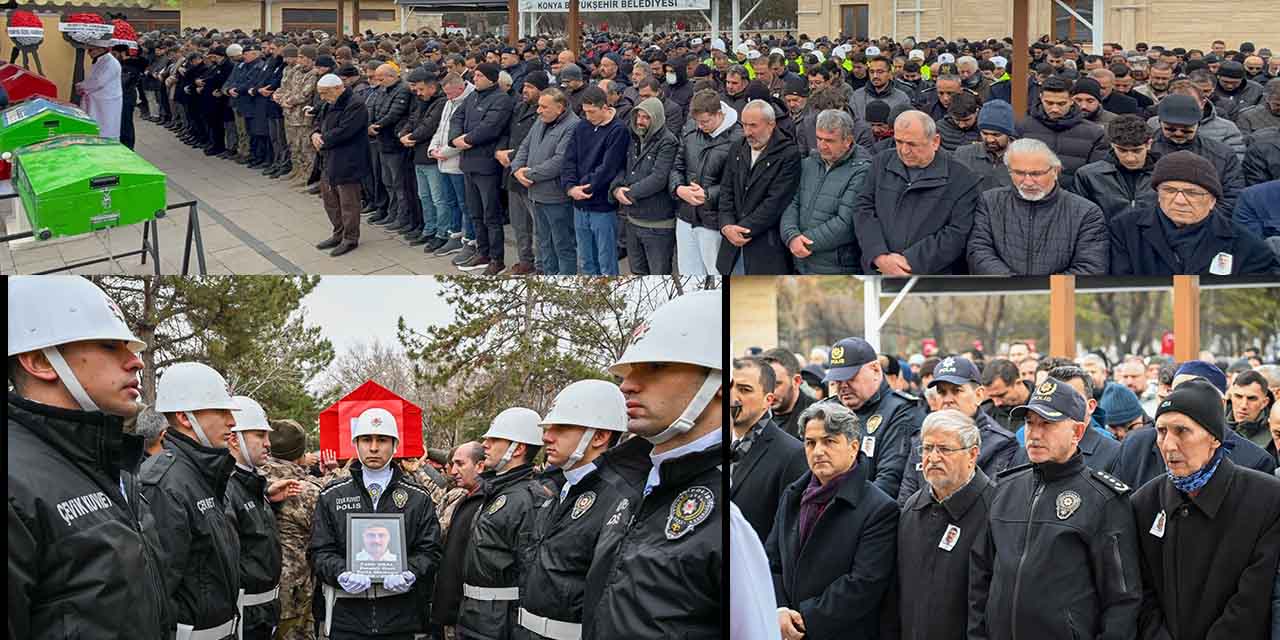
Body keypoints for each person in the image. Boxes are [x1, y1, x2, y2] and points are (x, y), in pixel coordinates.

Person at [7, 276, 168, 640]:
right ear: (39, 361)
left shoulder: (112, 464)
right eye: (111, 346)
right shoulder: (15, 480)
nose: (136, 363)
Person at [583, 290, 723, 638]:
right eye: (629, 371)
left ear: (720, 381)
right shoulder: (629, 483)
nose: (627, 384)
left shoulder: (733, 499)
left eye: (656, 366)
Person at [968, 378, 1142, 640]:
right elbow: (981, 579)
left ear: (1078, 433)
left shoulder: (1103, 499)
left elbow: (1122, 600)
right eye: (1029, 423)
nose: (1035, 434)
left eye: (1047, 424)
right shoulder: (1005, 489)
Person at [1131, 379, 1280, 640]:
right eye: (1162, 431)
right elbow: (1142, 594)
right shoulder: (1145, 503)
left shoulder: (1265, 498)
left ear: (1214, 438)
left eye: (1182, 431)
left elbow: (1252, 601)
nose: (1168, 445)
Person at [766, 402, 898, 640]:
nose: (818, 451)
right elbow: (772, 560)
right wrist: (779, 610)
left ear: (853, 447)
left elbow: (864, 584)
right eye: (810, 443)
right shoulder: (794, 495)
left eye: (829, 441)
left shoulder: (879, 508)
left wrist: (804, 619)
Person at [516, 380, 636, 640]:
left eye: (561, 428)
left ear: (600, 436)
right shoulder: (560, 489)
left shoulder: (620, 498)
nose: (547, 436)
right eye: (548, 428)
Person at [309, 407, 443, 640]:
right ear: (356, 444)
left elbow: (430, 551)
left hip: (400, 618)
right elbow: (319, 551)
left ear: (394, 445)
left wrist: (411, 572)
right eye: (366, 440)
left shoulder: (417, 498)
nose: (373, 447)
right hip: (347, 617)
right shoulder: (332, 496)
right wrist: (341, 573)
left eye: (381, 440)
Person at [142, 362, 243, 639]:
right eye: (222, 411)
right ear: (185, 418)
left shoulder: (206, 474)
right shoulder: (164, 484)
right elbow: (158, 593)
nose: (232, 422)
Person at [897, 410, 996, 640]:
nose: (932, 457)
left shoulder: (996, 509)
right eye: (927, 448)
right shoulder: (913, 507)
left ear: (972, 454)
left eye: (944, 449)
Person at [457, 408, 551, 640]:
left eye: (494, 439)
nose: (485, 444)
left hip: (500, 624)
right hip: (477, 616)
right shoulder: (498, 492)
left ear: (518, 448)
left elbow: (530, 574)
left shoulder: (529, 499)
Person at [1112, 360, 1278, 490]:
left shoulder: (1255, 461)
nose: (1182, 402)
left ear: (1220, 403)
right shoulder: (1137, 445)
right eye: (1177, 393)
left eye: (1195, 395)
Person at [1108, 150, 1280, 275]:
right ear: (1158, 194)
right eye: (1169, 190)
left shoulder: (1247, 246)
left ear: (1212, 200)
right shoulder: (1125, 229)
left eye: (1192, 193)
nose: (1180, 200)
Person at [856, 110, 982, 275]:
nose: (904, 150)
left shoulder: (962, 178)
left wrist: (908, 262)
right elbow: (863, 209)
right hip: (878, 270)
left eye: (912, 144)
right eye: (898, 142)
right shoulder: (881, 162)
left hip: (930, 279)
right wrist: (879, 255)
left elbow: (956, 233)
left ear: (935, 141)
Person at [968, 138, 1109, 275]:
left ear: (1055, 171)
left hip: (1059, 297)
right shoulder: (990, 201)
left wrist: (1041, 293)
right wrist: (1013, 287)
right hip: (1003, 294)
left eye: (1036, 174)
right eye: (1019, 173)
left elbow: (1090, 266)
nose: (1028, 182)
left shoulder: (1086, 213)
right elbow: (979, 251)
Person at [897, 356, 1019, 505]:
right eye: (942, 393)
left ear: (979, 395)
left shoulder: (1001, 444)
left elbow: (993, 505)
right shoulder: (921, 439)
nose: (948, 399)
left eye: (956, 391)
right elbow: (906, 501)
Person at [821, 336, 924, 499]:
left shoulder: (901, 411)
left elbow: (890, 481)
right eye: (837, 380)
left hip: (871, 515)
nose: (843, 386)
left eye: (850, 377)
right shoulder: (827, 410)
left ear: (875, 370)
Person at [225, 396, 288, 640]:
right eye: (260, 436)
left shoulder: (251, 483)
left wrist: (270, 501)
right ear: (234, 439)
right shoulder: (227, 487)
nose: (268, 444)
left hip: (263, 614)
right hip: (245, 617)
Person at [779, 108, 873, 274]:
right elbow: (792, 202)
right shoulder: (808, 164)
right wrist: (791, 236)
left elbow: (846, 223)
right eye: (819, 138)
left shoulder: (862, 171)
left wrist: (805, 243)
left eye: (829, 140)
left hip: (836, 267)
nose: (822, 146)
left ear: (848, 140)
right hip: (800, 262)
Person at [716, 99, 802, 274]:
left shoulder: (788, 154)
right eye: (744, 125)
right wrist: (726, 225)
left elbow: (776, 202)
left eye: (753, 126)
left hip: (764, 247)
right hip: (731, 244)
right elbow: (726, 190)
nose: (747, 132)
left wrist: (742, 230)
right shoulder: (738, 148)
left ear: (771, 125)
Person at [258, 419, 325, 640]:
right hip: (294, 592)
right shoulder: (304, 490)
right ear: (300, 452)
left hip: (255, 589)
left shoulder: (251, 479)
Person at [730, 357, 808, 543]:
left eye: (744, 390)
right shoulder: (711, 444)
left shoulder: (792, 454)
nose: (733, 397)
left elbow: (789, 533)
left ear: (768, 400)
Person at [450, 62, 514, 275]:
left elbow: (491, 127)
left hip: (486, 164)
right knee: (474, 211)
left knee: (490, 214)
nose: (474, 78)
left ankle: (497, 258)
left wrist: (468, 139)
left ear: (491, 78)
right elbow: (457, 117)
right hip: (468, 161)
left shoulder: (501, 99)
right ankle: (482, 251)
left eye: (478, 75)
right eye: (475, 75)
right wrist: (455, 139)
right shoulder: (473, 96)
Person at [561, 86, 629, 276]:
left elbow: (608, 168)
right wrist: (569, 186)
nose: (588, 116)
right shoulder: (582, 126)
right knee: (585, 260)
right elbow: (569, 159)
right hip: (579, 203)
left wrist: (583, 187)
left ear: (605, 107)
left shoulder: (618, 130)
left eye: (592, 112)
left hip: (601, 205)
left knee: (606, 259)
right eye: (585, 111)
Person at [671, 89, 739, 277]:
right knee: (688, 271)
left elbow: (737, 182)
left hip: (714, 220)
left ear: (719, 114)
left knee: (716, 273)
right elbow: (677, 166)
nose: (701, 126)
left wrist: (708, 195)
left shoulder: (738, 137)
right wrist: (678, 189)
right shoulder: (691, 128)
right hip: (686, 215)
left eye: (705, 122)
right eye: (698, 122)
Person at [512, 86, 580, 275]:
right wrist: (516, 169)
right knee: (544, 243)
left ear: (560, 108)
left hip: (556, 197)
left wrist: (529, 174)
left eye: (544, 107)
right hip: (536, 194)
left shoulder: (573, 125)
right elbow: (524, 145)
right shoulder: (541, 121)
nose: (539, 110)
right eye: (539, 106)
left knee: (562, 244)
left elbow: (560, 161)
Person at [611, 96, 680, 274]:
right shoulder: (633, 138)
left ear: (656, 118)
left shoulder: (668, 141)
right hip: (632, 220)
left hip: (657, 225)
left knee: (659, 274)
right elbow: (622, 167)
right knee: (637, 273)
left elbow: (658, 178)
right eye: (638, 117)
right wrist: (617, 188)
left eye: (646, 117)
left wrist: (629, 193)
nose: (640, 122)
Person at [1148, 93, 1245, 213]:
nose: (1178, 133)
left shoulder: (1222, 154)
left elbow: (1232, 196)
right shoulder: (1145, 150)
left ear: (1198, 124)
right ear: (1159, 123)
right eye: (1171, 129)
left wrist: (1201, 217)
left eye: (1186, 130)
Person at [312, 73, 372, 257]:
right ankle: (338, 233)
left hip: (348, 159)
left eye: (325, 93)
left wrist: (323, 139)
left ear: (338, 88)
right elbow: (318, 120)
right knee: (330, 200)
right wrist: (315, 133)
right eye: (320, 93)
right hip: (328, 158)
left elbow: (346, 131)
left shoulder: (355, 104)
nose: (322, 97)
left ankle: (350, 238)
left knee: (348, 202)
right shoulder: (329, 102)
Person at [431, 442, 486, 639]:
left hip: (467, 615)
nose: (453, 471)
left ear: (480, 466)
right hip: (447, 609)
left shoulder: (486, 503)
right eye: (452, 465)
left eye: (460, 464)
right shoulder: (464, 499)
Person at [494, 70, 545, 274]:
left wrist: (512, 155)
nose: (525, 91)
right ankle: (525, 259)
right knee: (519, 223)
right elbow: (506, 132)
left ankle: (542, 263)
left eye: (531, 87)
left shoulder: (543, 113)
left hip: (529, 174)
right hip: (512, 174)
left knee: (539, 225)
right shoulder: (519, 108)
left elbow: (534, 144)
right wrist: (500, 151)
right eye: (524, 86)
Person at [1017, 75, 1108, 185]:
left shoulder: (1095, 133)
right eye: (1049, 103)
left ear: (1071, 100)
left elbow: (1095, 177)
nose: (1055, 109)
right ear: (1041, 98)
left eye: (1061, 104)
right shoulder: (1022, 127)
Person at [1072, 115, 1160, 220]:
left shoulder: (1164, 174)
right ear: (1112, 145)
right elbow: (1080, 216)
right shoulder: (1088, 175)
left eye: (1137, 151)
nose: (1130, 158)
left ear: (1149, 144)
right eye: (1122, 150)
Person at [952, 99, 1016, 193]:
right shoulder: (963, 155)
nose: (990, 139)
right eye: (985, 133)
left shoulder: (1024, 158)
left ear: (1009, 134)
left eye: (996, 135)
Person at [762, 347, 818, 439]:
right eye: (764, 384)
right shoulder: (757, 416)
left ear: (796, 381)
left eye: (776, 384)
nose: (769, 392)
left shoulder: (818, 416)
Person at [78, 39, 124, 139]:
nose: (88, 53)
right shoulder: (101, 60)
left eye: (90, 50)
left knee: (106, 128)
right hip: (97, 100)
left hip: (106, 102)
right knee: (97, 126)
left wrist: (82, 86)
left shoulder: (110, 63)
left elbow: (99, 82)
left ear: (100, 49)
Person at [850, 56, 912, 122]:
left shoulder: (902, 98)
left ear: (890, 73)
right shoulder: (857, 96)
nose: (875, 76)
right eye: (872, 72)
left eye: (880, 72)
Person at [1229, 370, 1275, 449]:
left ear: (1264, 402)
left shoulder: (1275, 434)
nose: (1243, 405)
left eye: (1251, 398)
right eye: (1238, 396)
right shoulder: (1215, 425)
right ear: (1231, 397)